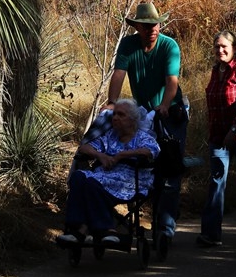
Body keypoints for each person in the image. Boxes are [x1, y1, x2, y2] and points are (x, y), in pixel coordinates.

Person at [104, 1, 187, 250]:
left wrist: (164, 104)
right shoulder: (129, 45)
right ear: (137, 26)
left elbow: (171, 80)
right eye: (147, 25)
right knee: (143, 165)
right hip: (144, 113)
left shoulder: (169, 46)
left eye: (155, 24)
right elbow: (118, 74)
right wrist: (112, 103)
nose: (152, 29)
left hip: (170, 111)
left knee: (169, 167)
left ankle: (165, 227)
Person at [58, 98, 160, 245]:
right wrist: (101, 155)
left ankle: (106, 229)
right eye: (114, 115)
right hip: (105, 176)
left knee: (92, 183)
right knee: (79, 177)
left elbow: (151, 151)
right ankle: (77, 228)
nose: (115, 118)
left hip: (131, 180)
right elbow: (84, 148)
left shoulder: (142, 137)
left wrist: (121, 155)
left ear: (132, 120)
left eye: (121, 115)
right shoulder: (110, 136)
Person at [198, 30, 236, 247]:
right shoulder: (216, 71)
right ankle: (211, 234)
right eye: (217, 47)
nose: (220, 50)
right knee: (216, 182)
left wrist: (234, 130)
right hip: (218, 137)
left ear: (234, 48)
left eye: (224, 46)